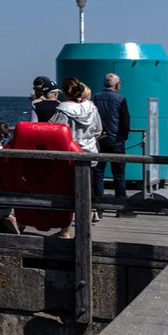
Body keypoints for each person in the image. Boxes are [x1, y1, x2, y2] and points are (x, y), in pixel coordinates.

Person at [52, 78, 104, 235]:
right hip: (90, 154)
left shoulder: (63, 109)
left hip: (71, 154)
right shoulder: (92, 107)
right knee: (86, 190)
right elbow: (98, 130)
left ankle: (65, 230)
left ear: (65, 92)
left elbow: (59, 133)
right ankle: (83, 225)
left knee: (68, 192)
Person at [92, 73, 131, 201]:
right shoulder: (120, 99)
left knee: (98, 173)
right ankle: (121, 205)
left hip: (99, 140)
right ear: (117, 84)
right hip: (116, 141)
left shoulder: (95, 98)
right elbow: (125, 121)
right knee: (119, 174)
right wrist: (124, 137)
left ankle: (98, 206)